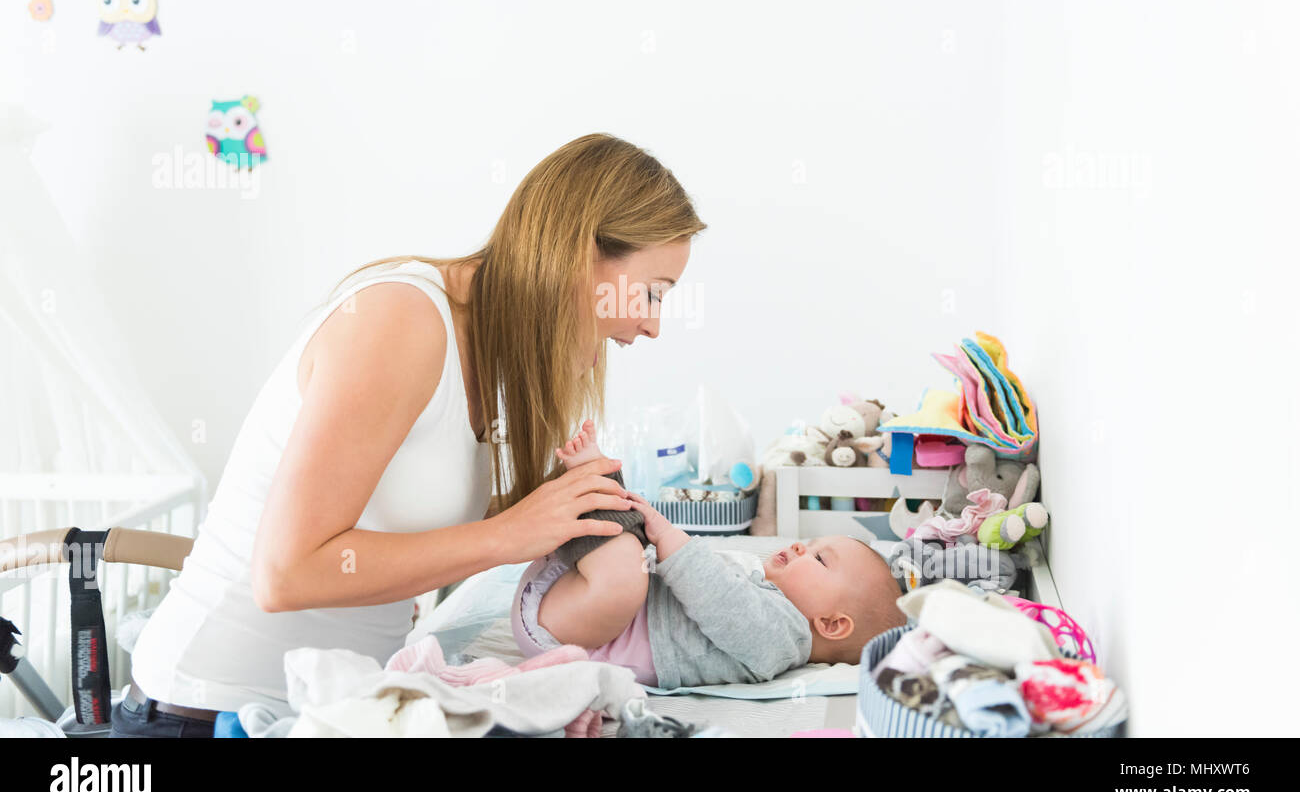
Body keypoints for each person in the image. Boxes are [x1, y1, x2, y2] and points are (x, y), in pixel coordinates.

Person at [115, 133, 706, 735]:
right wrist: (509, 533)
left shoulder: (505, 361)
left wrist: (564, 515)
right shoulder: (401, 320)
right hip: (204, 711)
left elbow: (415, 520)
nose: (653, 325)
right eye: (653, 292)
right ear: (582, 252)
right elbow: (285, 574)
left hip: (340, 709)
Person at [509, 419, 908, 689]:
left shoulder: (783, 640)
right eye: (814, 545)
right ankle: (593, 490)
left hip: (571, 630)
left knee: (626, 573)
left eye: (820, 559)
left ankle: (594, 482)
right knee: (629, 556)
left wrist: (666, 534)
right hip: (577, 593)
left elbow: (718, 596)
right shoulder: (770, 596)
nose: (803, 546)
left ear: (832, 624)